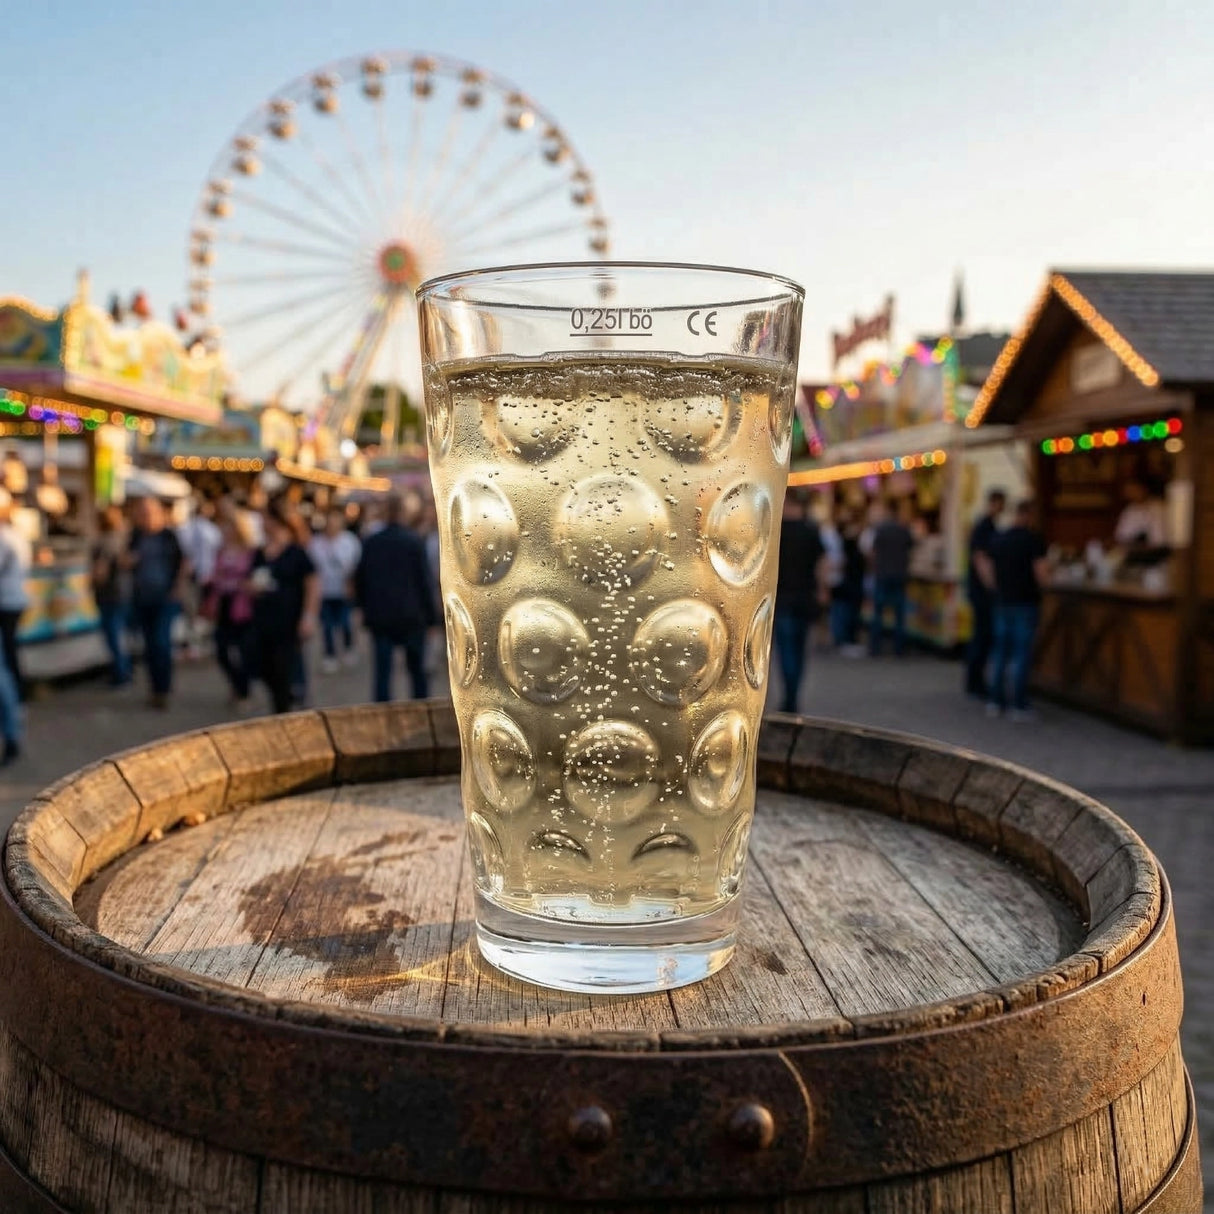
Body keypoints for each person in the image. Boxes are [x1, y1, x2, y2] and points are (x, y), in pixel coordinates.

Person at [354, 494, 438, 702]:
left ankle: (382, 714)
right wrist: (432, 618)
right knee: (417, 671)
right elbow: (424, 582)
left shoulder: (372, 542)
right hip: (411, 616)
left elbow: (360, 579)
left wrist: (364, 608)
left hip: (381, 616)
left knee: (383, 673)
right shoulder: (413, 541)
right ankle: (421, 711)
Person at [248, 500, 319, 715]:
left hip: (288, 620)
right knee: (260, 664)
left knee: (282, 668)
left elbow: (312, 585)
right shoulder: (261, 552)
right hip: (263, 618)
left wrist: (308, 616)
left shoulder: (297, 552)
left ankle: (284, 710)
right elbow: (251, 577)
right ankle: (285, 699)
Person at [984, 499, 1050, 721]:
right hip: (1025, 601)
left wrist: (996, 588)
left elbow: (987, 568)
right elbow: (1041, 574)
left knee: (1000, 652)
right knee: (1021, 653)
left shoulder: (999, 539)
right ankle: (1018, 703)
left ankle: (995, 700)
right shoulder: (1033, 541)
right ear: (1030, 515)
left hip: (1003, 601)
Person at [127, 497, 186, 710]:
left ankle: (164, 688)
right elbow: (125, 561)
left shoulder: (169, 537)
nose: (146, 518)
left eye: (150, 513)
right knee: (150, 646)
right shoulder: (135, 536)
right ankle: (155, 689)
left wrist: (178, 588)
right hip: (143, 599)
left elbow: (183, 562)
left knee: (161, 643)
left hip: (165, 598)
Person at [772, 491, 827, 714]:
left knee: (786, 651)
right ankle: (793, 695)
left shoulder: (777, 531)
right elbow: (822, 563)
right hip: (805, 597)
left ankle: (789, 697)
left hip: (783, 597)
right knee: (800, 650)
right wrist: (823, 591)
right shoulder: (811, 530)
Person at [208, 512, 256, 711]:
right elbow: (215, 576)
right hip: (224, 603)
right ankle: (236, 684)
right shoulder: (221, 551)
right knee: (221, 649)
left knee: (243, 651)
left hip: (242, 605)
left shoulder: (250, 552)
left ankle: (243, 689)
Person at [964, 489, 1006, 698]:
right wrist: (992, 587)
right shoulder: (985, 527)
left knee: (981, 636)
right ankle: (975, 681)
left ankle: (975, 680)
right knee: (982, 636)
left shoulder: (986, 526)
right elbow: (980, 560)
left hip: (979, 591)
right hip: (982, 593)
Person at [309, 511, 362, 674]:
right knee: (327, 626)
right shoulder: (315, 543)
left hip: (343, 590)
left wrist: (352, 585)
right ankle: (329, 654)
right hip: (323, 592)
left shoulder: (350, 541)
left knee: (345, 622)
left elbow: (356, 565)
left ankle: (348, 647)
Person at [866, 500, 915, 657]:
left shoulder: (881, 530)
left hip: (882, 574)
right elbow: (912, 547)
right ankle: (899, 648)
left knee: (878, 613)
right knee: (899, 614)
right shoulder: (904, 530)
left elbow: (873, 552)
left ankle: (875, 647)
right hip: (899, 575)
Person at [91, 504, 133, 686]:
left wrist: (91, 581)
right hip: (123, 592)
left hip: (109, 594)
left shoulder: (104, 542)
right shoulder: (122, 539)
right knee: (121, 634)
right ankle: (125, 669)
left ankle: (120, 673)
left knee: (113, 635)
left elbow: (101, 571)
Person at [177, 497, 222, 659]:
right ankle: (201, 642)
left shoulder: (187, 530)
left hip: (197, 575)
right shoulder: (212, 530)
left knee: (195, 611)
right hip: (205, 575)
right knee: (203, 611)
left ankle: (196, 643)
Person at [0, 487, 30, 701]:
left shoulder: (4, 538)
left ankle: (15, 694)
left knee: (7, 652)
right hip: (16, 597)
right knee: (11, 649)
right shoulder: (17, 535)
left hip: (6, 600)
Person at [830, 509, 867, 657]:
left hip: (846, 583)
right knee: (846, 613)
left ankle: (842, 639)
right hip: (850, 584)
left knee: (842, 612)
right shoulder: (849, 543)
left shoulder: (844, 542)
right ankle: (845, 640)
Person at [1114, 479, 1167, 549]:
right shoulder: (1129, 511)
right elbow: (1121, 536)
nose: (1133, 494)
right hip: (1134, 550)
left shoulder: (1159, 507)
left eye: (1135, 490)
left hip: (1158, 550)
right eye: (1129, 491)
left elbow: (1160, 537)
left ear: (1144, 489)